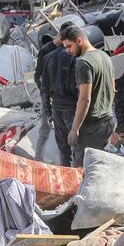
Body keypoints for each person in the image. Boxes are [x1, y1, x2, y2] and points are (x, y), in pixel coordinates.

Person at [59, 25, 116, 165]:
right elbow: (113, 89)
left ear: (79, 41)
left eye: (69, 46)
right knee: (101, 167)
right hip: (108, 121)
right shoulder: (105, 56)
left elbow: (85, 99)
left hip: (91, 128)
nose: (68, 51)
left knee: (83, 170)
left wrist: (74, 129)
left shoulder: (83, 63)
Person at [37, 34, 81, 166]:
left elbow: (44, 86)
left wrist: (48, 110)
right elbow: (77, 87)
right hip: (71, 108)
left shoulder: (47, 56)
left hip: (56, 108)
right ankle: (79, 180)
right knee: (78, 147)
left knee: (64, 150)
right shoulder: (74, 56)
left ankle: (66, 177)